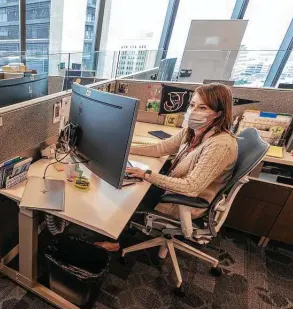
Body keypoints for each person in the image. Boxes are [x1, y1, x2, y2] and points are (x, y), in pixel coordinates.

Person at [97, 83, 238, 251]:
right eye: (192, 105)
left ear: (218, 113)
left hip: (186, 200)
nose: (193, 111)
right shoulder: (194, 130)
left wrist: (147, 174)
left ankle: (120, 242)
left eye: (203, 107)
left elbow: (191, 187)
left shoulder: (220, 145)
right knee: (127, 183)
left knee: (128, 195)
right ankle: (116, 230)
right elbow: (161, 148)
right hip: (173, 186)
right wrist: (124, 149)